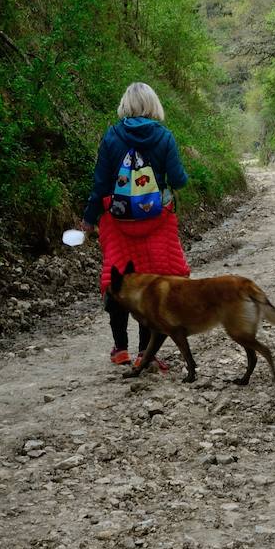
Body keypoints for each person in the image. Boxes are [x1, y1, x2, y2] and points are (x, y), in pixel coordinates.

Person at [80, 82, 191, 368]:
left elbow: (101, 184)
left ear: (125, 105)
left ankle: (120, 349)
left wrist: (89, 219)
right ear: (153, 105)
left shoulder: (111, 137)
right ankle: (146, 352)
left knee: (117, 281)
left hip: (117, 223)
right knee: (152, 283)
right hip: (157, 220)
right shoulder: (165, 138)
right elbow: (178, 180)